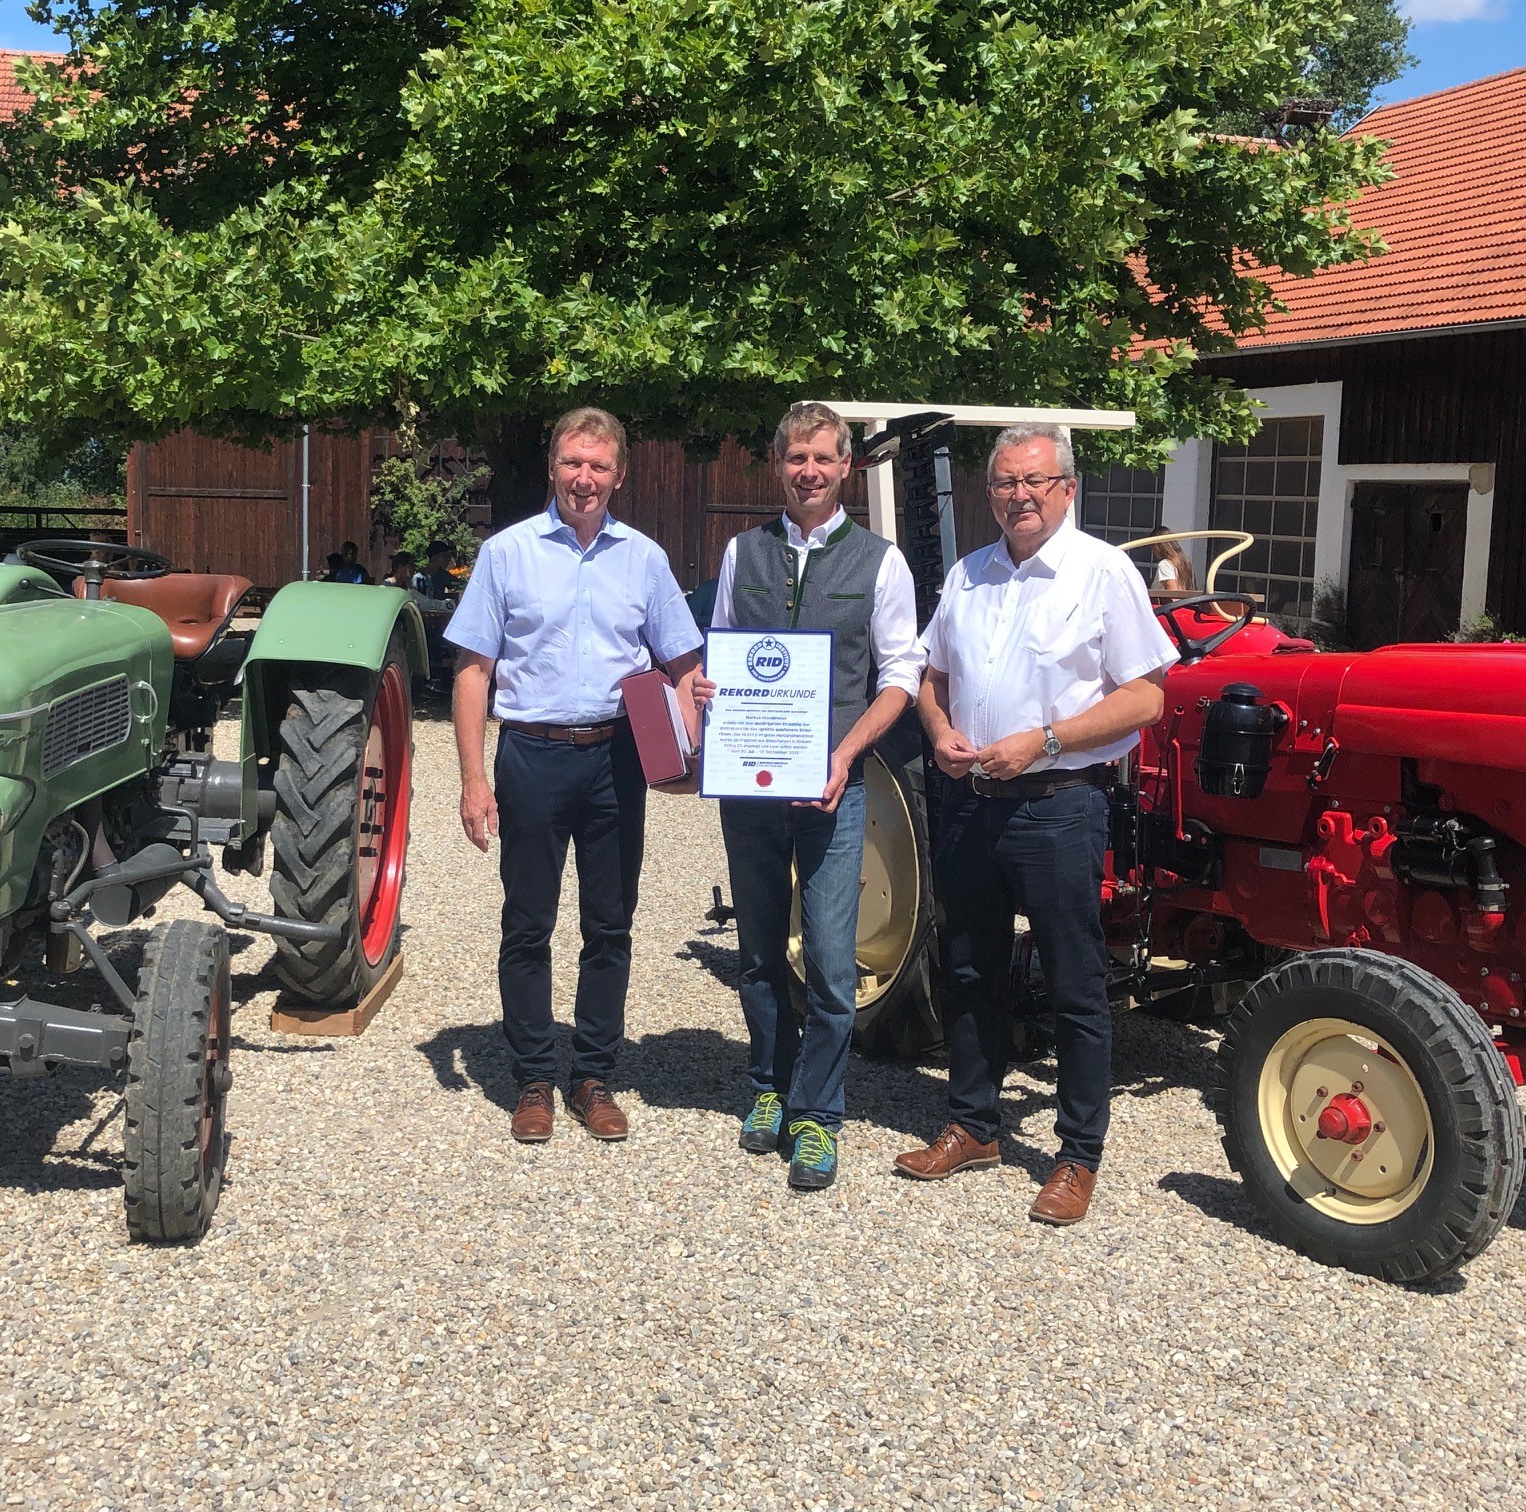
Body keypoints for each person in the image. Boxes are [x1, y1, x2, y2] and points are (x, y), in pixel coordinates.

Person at [894, 422, 1176, 1226]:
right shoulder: (969, 575)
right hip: (972, 802)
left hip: (1059, 804)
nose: (1020, 496)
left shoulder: (1103, 572)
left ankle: (1078, 1154)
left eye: (1035, 481)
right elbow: (930, 673)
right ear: (990, 495)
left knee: (1074, 984)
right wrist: (939, 728)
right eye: (1006, 483)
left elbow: (1147, 695)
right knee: (972, 969)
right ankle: (974, 1124)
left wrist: (1046, 740)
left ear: (1068, 489)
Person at [446, 407, 703, 1144]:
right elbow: (473, 671)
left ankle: (592, 1074)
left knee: (609, 923)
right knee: (527, 922)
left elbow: (683, 665)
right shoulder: (506, 553)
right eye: (571, 464)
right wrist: (472, 777)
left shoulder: (646, 560)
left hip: (616, 758)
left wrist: (689, 754)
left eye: (598, 466)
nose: (583, 478)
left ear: (619, 474)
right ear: (552, 468)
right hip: (531, 754)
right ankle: (533, 1076)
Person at [691, 401, 923, 1190]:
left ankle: (819, 1114)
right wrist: (705, 692)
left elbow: (899, 680)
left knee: (828, 959)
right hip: (750, 791)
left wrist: (844, 754)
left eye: (824, 459)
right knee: (757, 952)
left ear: (846, 467)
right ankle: (767, 1086)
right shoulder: (741, 553)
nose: (810, 472)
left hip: (835, 788)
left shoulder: (882, 563)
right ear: (777, 462)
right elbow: (720, 660)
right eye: (796, 459)